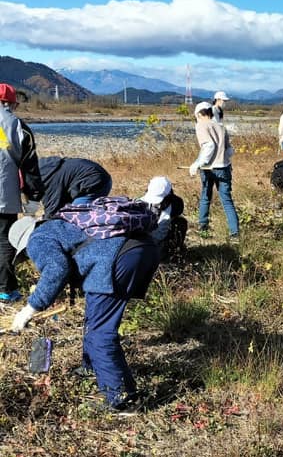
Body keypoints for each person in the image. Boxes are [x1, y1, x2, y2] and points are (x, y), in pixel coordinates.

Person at [9, 214, 160, 414]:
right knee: (94, 320)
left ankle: (122, 399)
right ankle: (90, 368)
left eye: (26, 255)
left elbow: (56, 269)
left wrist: (29, 309)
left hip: (117, 256)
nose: (29, 257)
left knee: (100, 332)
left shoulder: (37, 238)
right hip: (142, 248)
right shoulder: (61, 225)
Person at [189, 101, 239, 238]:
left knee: (206, 196)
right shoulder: (221, 126)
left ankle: (203, 228)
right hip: (224, 168)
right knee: (227, 200)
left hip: (208, 168)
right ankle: (235, 233)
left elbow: (208, 146)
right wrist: (223, 160)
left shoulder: (201, 125)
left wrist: (197, 164)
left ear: (199, 114)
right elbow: (230, 150)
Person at [0, 83, 24, 303]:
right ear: (8, 103)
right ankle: (6, 289)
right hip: (4, 194)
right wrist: (32, 194)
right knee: (5, 240)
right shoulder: (12, 122)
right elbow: (25, 158)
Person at [39, 156, 113, 217]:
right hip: (98, 178)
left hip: (93, 182)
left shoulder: (48, 180)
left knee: (76, 217)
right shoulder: (45, 169)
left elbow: (52, 210)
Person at [142, 176, 187, 261]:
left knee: (181, 223)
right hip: (144, 240)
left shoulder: (176, 204)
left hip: (161, 238)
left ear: (169, 194)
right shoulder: (139, 203)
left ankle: (173, 253)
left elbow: (163, 229)